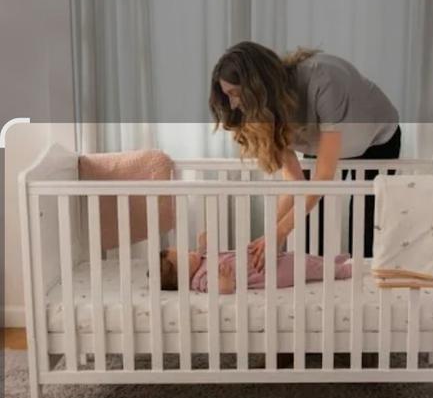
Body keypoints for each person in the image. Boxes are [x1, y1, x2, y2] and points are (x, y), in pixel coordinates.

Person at [209, 41, 401, 269]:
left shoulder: (324, 82)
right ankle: (317, 279)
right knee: (311, 217)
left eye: (235, 94)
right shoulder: (269, 112)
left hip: (376, 138)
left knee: (368, 219)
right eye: (228, 96)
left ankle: (367, 279)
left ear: (257, 87)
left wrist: (280, 233)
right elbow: (295, 183)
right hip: (323, 142)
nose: (232, 104)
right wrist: (270, 234)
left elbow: (323, 177)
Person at [158, 233, 352, 293]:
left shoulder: (199, 260)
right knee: (302, 265)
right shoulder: (200, 279)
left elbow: (200, 252)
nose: (189, 252)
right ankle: (341, 271)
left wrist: (202, 244)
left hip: (264, 259)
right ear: (183, 275)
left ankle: (329, 262)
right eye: (184, 256)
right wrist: (224, 283)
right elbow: (221, 290)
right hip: (268, 273)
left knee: (298, 256)